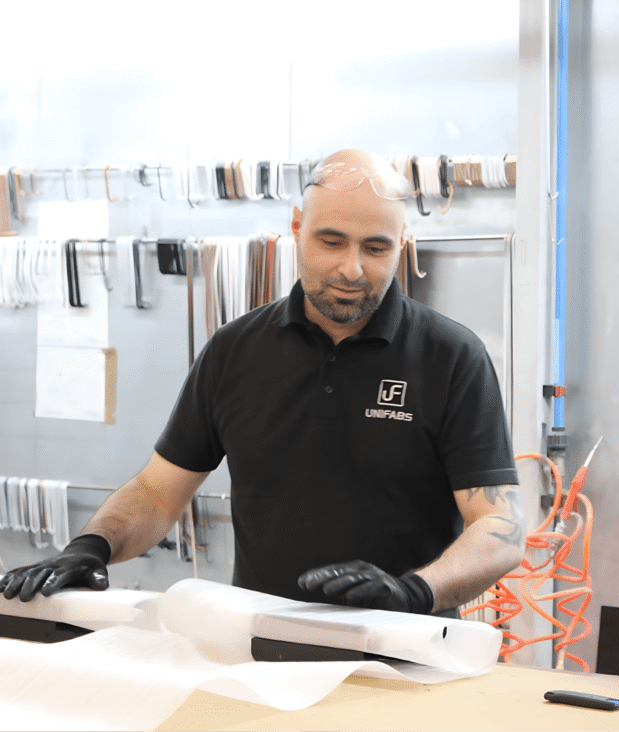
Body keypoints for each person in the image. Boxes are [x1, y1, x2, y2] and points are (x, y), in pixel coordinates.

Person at [0, 149, 524, 618]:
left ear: (402, 244)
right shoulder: (235, 351)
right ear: (297, 226)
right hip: (257, 648)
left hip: (403, 654)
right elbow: (158, 493)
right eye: (331, 240)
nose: (352, 268)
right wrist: (91, 545)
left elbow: (501, 530)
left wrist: (413, 592)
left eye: (376, 248)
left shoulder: (450, 357)